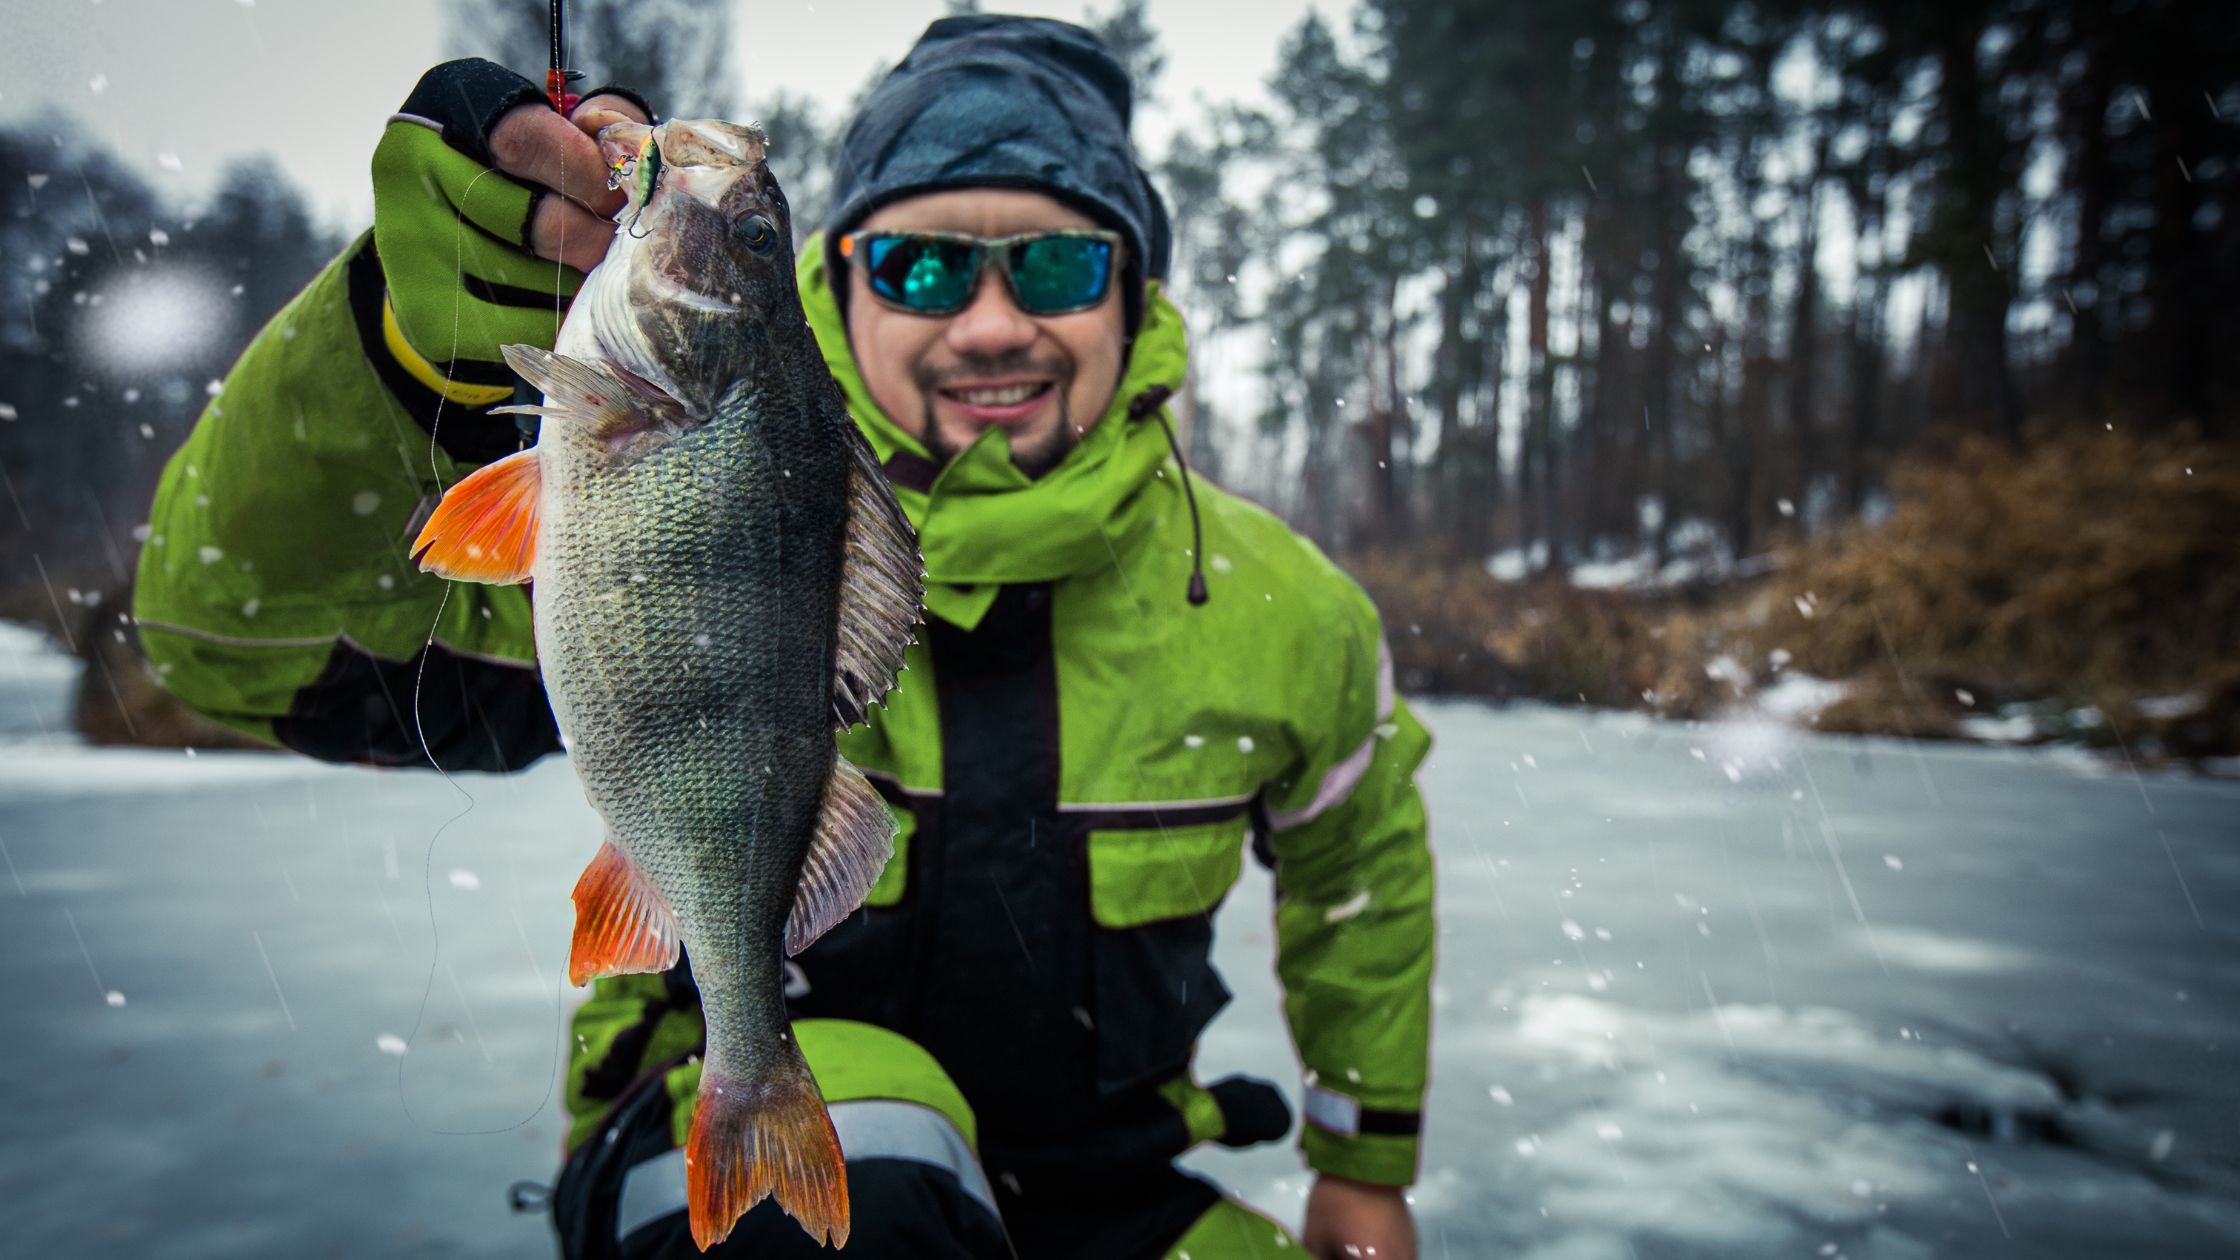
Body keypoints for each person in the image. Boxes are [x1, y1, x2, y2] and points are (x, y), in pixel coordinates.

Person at [133, 16, 1434, 1260]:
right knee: (866, 1188)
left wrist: (1363, 1163)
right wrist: (390, 354)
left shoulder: (1287, 611)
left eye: (1056, 264)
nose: (990, 323)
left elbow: (1359, 865)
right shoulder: (659, 511)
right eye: (923, 266)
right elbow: (227, 642)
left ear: (1131, 292)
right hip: (752, 1139)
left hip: (1114, 1195)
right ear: (841, 286)